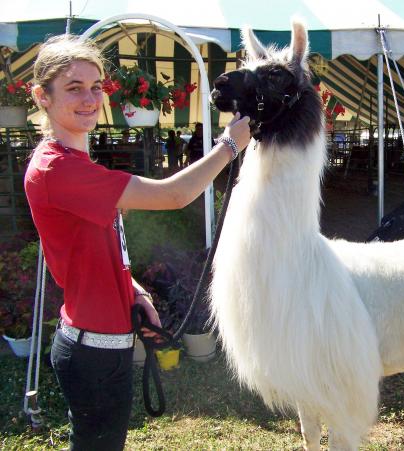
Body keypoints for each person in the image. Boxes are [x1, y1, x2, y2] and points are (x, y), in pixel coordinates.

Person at [24, 34, 251, 451]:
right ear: (42, 96)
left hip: (101, 344)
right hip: (93, 352)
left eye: (96, 86)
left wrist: (133, 290)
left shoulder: (72, 163)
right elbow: (174, 195)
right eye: (74, 88)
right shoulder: (57, 169)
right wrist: (231, 144)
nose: (90, 98)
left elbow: (94, 249)